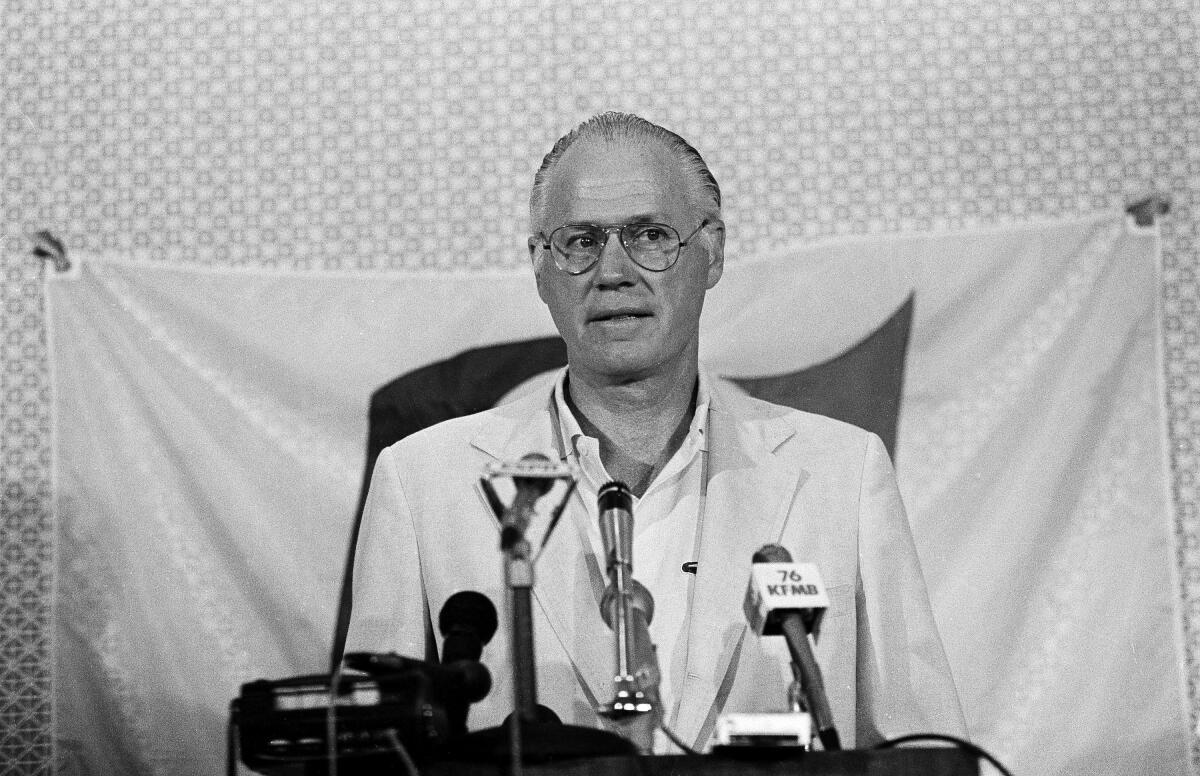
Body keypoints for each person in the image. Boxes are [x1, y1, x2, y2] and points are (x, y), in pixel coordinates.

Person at [345, 112, 966, 750]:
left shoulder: (844, 470)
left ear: (713, 250)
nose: (613, 271)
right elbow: (369, 754)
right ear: (540, 265)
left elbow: (924, 746)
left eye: (650, 234)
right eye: (580, 241)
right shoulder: (423, 482)